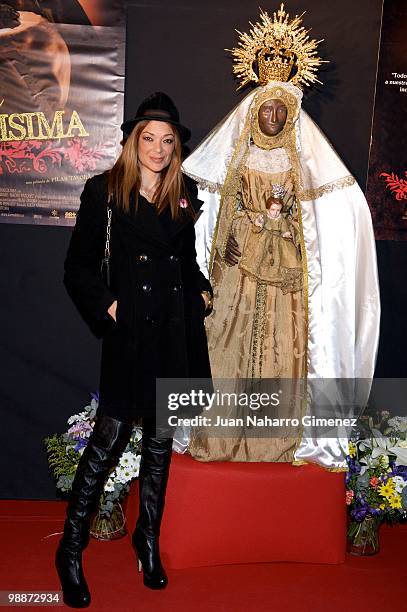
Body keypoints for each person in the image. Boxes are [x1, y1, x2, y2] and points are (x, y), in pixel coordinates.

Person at [181, 5, 380, 467]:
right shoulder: (234, 158)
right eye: (265, 107)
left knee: (281, 346)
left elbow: (327, 209)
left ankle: (276, 437)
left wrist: (284, 222)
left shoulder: (303, 162)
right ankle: (224, 432)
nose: (271, 115)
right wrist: (232, 236)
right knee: (228, 342)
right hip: (237, 267)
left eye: (279, 109)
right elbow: (216, 203)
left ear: (290, 115)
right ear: (253, 113)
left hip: (285, 270)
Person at [57, 92, 213, 608]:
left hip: (174, 330)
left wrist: (202, 286)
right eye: (149, 139)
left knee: (161, 444)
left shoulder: (183, 192)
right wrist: (111, 307)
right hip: (132, 334)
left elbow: (183, 260)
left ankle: (147, 539)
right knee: (108, 442)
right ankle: (71, 547)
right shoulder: (104, 191)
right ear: (132, 141)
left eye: (168, 141)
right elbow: (77, 268)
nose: (159, 149)